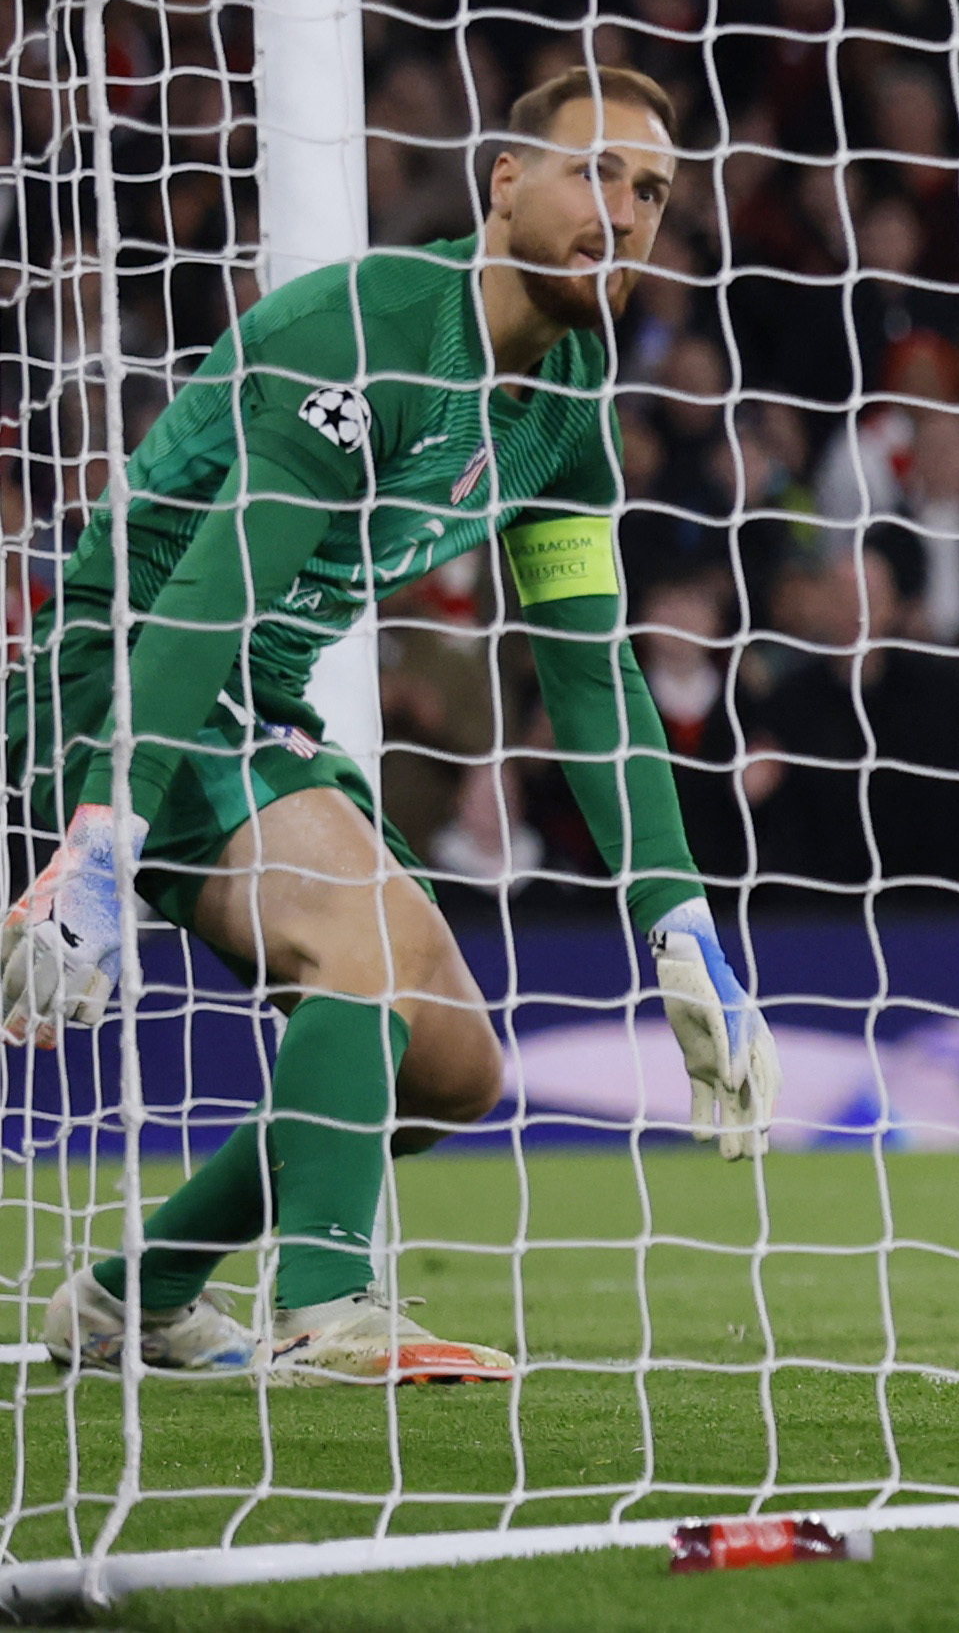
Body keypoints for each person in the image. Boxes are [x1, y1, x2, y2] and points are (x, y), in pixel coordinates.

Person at [5, 67, 773, 1385]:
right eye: (595, 172)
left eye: (651, 191)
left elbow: (590, 679)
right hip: (130, 670)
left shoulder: (569, 406)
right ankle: (326, 1303)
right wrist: (100, 839)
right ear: (504, 185)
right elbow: (213, 592)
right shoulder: (368, 330)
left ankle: (139, 1294)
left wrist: (679, 919)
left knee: (457, 1067)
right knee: (352, 939)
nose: (627, 212)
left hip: (260, 704)